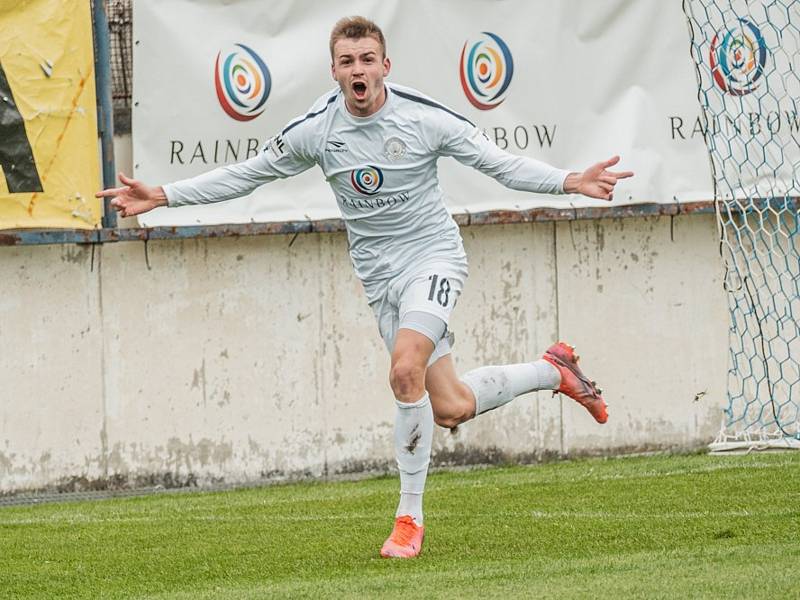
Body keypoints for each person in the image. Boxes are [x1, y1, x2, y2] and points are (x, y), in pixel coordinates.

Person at [97, 16, 633, 559]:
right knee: (449, 406)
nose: (359, 70)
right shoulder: (318, 129)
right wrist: (163, 194)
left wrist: (569, 181)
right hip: (381, 280)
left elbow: (498, 163)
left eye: (367, 60)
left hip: (434, 258)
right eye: (348, 62)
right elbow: (249, 173)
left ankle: (408, 520)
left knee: (404, 372)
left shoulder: (423, 118)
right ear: (333, 70)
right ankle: (553, 369)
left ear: (385, 66)